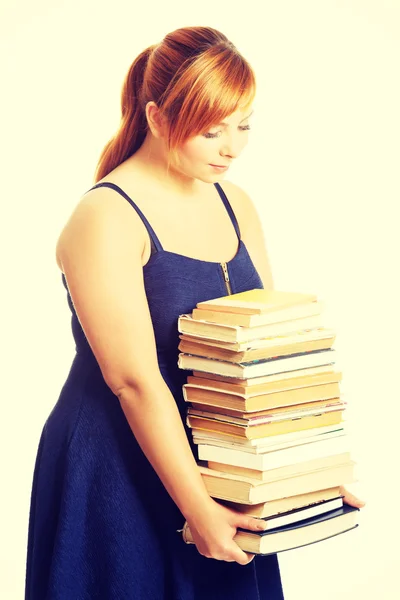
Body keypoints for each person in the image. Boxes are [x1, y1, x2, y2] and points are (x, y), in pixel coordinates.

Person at [25, 25, 365, 599]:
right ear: (157, 118)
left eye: (244, 124)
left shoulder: (236, 201)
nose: (233, 147)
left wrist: (306, 475)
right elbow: (132, 382)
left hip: (221, 455)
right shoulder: (106, 216)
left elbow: (267, 353)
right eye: (212, 130)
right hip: (117, 467)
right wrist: (198, 506)